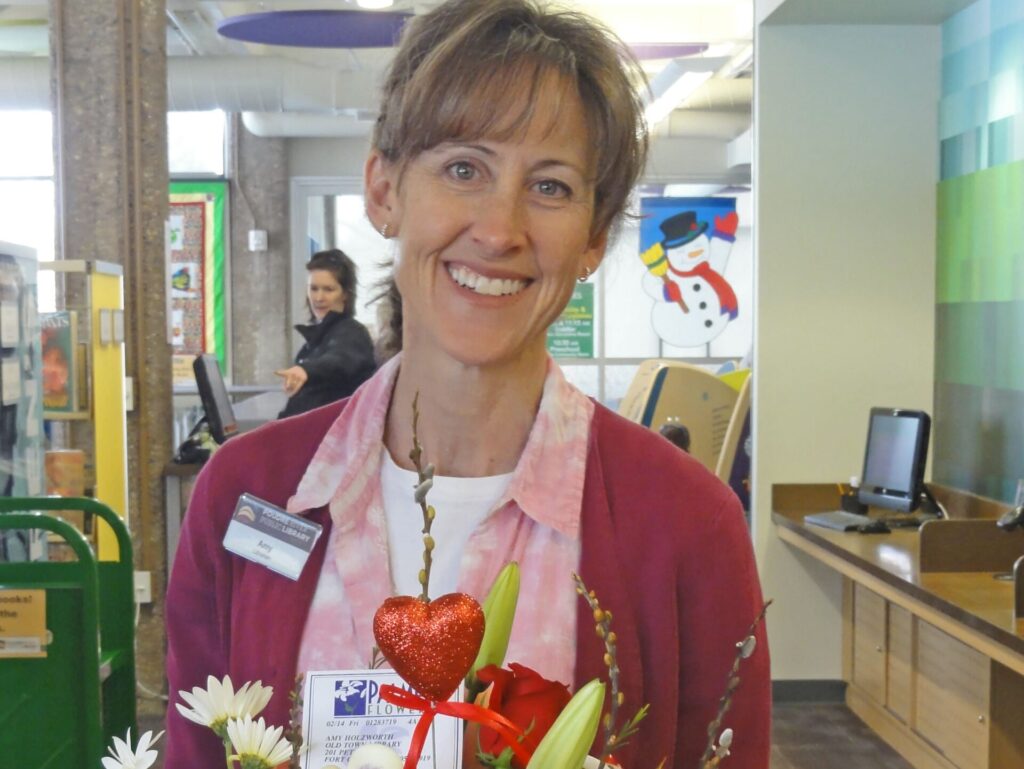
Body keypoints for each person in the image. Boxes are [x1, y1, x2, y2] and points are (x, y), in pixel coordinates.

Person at [165, 1, 770, 767]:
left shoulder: (686, 525)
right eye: (463, 169)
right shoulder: (244, 497)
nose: (499, 228)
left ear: (593, 237)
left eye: (550, 186)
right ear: (384, 191)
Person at [275, 249, 376, 418]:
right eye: (314, 289)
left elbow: (339, 360)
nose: (319, 297)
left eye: (328, 289)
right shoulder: (316, 340)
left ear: (345, 294)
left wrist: (306, 371)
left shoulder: (352, 333)